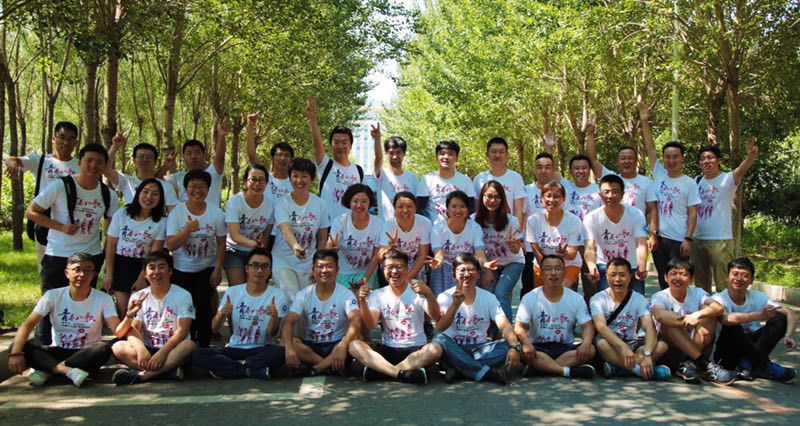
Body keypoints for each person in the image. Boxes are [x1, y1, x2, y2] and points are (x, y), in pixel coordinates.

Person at [26, 143, 119, 346]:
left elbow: (112, 229)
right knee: (48, 304)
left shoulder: (108, 195)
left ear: (104, 166)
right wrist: (60, 227)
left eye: (99, 162)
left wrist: (107, 260)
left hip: (90, 256)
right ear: (79, 163)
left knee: (83, 305)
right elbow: (32, 211)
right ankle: (43, 348)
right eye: (89, 160)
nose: (93, 165)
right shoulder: (60, 186)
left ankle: (82, 348)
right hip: (58, 255)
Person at [7, 253, 120, 387]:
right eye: (77, 269)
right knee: (15, 346)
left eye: (87, 270)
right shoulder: (53, 295)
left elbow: (117, 329)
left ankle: (49, 369)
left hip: (85, 354)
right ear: (67, 273)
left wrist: (130, 316)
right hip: (57, 350)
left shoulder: (103, 299)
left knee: (103, 349)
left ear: (94, 274)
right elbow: (28, 325)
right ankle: (68, 372)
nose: (82, 274)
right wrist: (15, 353)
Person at [192, 248, 288, 380]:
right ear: (247, 269)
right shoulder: (233, 292)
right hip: (234, 348)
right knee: (198, 354)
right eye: (255, 265)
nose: (259, 270)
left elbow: (272, 334)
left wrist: (275, 317)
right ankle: (249, 370)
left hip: (261, 349)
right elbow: (213, 328)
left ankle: (230, 369)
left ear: (270, 271)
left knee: (281, 352)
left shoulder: (278, 295)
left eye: (264, 266)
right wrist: (221, 314)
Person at [348, 249, 442, 383]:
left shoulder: (417, 290)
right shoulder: (377, 294)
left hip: (416, 349)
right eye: (389, 267)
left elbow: (436, 316)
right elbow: (370, 324)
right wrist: (362, 301)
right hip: (388, 349)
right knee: (354, 345)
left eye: (399, 267)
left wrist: (428, 294)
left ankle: (383, 371)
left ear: (407, 269)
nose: (394, 271)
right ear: (383, 269)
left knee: (435, 349)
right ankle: (402, 374)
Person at [431, 253, 523, 385]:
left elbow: (504, 325)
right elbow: (441, 327)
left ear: (478, 274)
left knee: (511, 345)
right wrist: (455, 305)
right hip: (453, 347)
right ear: (453, 275)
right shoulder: (444, 297)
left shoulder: (488, 298)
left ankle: (459, 368)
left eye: (471, 270)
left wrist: (514, 347)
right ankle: (487, 373)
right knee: (439, 340)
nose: (466, 274)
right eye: (462, 270)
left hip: (479, 350)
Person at [111, 251, 197, 384]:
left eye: (161, 267)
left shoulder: (183, 295)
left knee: (189, 345)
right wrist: (141, 349)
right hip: (148, 349)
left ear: (170, 271)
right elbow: (133, 329)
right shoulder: (138, 296)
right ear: (145, 274)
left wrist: (162, 353)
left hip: (172, 349)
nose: (156, 272)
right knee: (118, 347)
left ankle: (143, 376)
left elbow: (183, 331)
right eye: (152, 268)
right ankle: (167, 372)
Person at [5, 121, 80, 268]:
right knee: (47, 269)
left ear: (76, 142)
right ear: (53, 139)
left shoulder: (80, 165)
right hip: (45, 223)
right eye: (62, 137)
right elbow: (12, 159)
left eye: (71, 138)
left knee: (73, 269)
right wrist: (12, 162)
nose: (66, 142)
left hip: (72, 224)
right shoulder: (40, 160)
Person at [165, 169, 227, 347]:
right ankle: (187, 343)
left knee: (203, 306)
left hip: (206, 268)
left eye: (202, 186)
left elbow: (221, 243)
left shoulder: (216, 214)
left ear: (208, 190)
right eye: (193, 186)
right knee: (185, 307)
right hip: (181, 269)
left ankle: (204, 346)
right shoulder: (177, 213)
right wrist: (187, 230)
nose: (197, 190)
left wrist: (217, 270)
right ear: (185, 189)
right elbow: (171, 245)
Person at [711, 257, 797, 383]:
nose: (739, 279)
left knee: (779, 318)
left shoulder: (758, 297)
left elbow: (789, 314)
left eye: (745, 275)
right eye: (735, 274)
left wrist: (788, 336)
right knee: (732, 322)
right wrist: (758, 316)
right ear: (727, 277)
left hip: (751, 347)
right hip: (726, 353)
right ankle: (764, 365)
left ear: (751, 280)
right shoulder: (718, 299)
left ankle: (749, 365)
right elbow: (725, 319)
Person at [650, 259, 736, 385]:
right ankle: (705, 364)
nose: (678, 278)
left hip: (697, 343)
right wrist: (688, 321)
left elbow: (718, 307)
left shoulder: (698, 293)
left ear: (691, 279)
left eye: (683, 274)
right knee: (669, 323)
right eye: (673, 274)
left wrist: (697, 315)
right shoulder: (660, 296)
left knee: (709, 313)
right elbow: (660, 315)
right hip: (671, 349)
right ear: (666, 278)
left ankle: (687, 364)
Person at [514, 255, 596, 379]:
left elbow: (588, 326)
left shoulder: (576, 298)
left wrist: (585, 344)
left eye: (558, 268)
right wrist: (526, 343)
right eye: (548, 269)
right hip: (537, 347)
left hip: (565, 348)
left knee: (591, 349)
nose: (553, 273)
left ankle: (540, 368)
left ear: (564, 272)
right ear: (541, 273)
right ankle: (567, 371)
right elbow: (520, 327)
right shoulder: (530, 297)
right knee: (520, 350)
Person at [282, 250, 362, 376]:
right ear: (313, 270)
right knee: (286, 342)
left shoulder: (346, 294)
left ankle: (316, 368)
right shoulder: (304, 294)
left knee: (356, 339)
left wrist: (342, 346)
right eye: (320, 266)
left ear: (337, 270)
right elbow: (289, 322)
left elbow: (356, 320)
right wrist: (289, 349)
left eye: (329, 266)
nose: (324, 270)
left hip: (337, 344)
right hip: (312, 346)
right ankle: (327, 366)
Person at [692, 142, 758, 293]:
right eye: (702, 159)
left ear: (718, 160)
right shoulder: (697, 181)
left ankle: (725, 308)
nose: (706, 161)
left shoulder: (727, 179)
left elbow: (741, 170)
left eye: (710, 157)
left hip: (720, 240)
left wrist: (751, 156)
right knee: (700, 285)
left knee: (723, 283)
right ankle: (706, 308)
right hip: (698, 238)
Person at [590, 258, 671, 380]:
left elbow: (649, 327)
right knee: (602, 344)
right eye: (613, 275)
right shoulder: (598, 299)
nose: (617, 279)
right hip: (610, 342)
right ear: (606, 276)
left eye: (622, 275)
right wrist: (623, 347)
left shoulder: (639, 299)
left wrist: (647, 354)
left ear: (630, 277)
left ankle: (618, 367)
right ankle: (640, 371)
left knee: (662, 345)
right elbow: (601, 327)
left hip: (632, 342)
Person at [642, 120, 701, 289]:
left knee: (678, 279)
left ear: (682, 158)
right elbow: (650, 149)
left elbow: (693, 213)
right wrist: (644, 121)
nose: (671, 160)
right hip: (659, 239)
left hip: (679, 239)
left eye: (675, 156)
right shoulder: (659, 174)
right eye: (667, 157)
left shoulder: (689, 183)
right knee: (664, 280)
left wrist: (688, 239)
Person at [104, 178, 167, 316]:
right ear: (138, 193)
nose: (149, 197)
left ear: (160, 198)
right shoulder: (122, 214)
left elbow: (154, 254)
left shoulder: (161, 222)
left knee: (139, 310)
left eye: (155, 194)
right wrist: (109, 273)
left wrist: (143, 277)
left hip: (143, 266)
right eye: (145, 191)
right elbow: (111, 245)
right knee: (123, 309)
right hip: (120, 264)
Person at [272, 158, 331, 302]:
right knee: (293, 299)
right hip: (283, 261)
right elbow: (285, 229)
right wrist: (295, 246)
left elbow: (322, 238)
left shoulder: (320, 204)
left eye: (304, 176)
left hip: (308, 263)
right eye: (295, 176)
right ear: (290, 178)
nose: (299, 180)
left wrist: (318, 264)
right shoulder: (281, 203)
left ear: (311, 179)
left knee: (307, 302)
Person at [584, 174, 649, 296]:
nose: (610, 196)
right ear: (600, 195)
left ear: (622, 194)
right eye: (606, 192)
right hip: (605, 266)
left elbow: (641, 244)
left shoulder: (636, 214)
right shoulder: (591, 218)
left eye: (615, 191)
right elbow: (589, 248)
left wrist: (642, 266)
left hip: (632, 266)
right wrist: (592, 267)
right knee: (607, 303)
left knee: (637, 302)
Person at [473, 180, 524, 321]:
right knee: (487, 293)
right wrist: (487, 270)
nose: (492, 200)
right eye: (489, 196)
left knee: (501, 293)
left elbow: (517, 250)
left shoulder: (511, 221)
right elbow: (477, 250)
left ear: (502, 199)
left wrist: (513, 246)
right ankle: (491, 329)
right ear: (482, 197)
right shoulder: (474, 220)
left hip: (512, 262)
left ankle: (506, 331)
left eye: (497, 197)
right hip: (488, 264)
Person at [585, 122, 657, 222]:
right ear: (618, 162)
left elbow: (652, 209)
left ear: (636, 161)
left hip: (636, 229)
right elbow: (593, 160)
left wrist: (653, 231)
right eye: (623, 158)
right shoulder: (611, 179)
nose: (627, 161)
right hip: (613, 229)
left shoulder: (647, 182)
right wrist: (590, 135)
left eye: (630, 158)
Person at [306, 96, 364, 221]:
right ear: (331, 145)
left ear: (351, 145)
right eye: (336, 142)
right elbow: (317, 144)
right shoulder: (325, 165)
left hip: (352, 227)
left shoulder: (359, 171)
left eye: (344, 142)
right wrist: (312, 118)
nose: (340, 146)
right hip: (328, 226)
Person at [428, 190, 494, 296]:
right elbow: (439, 254)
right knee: (441, 301)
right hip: (444, 267)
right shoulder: (437, 229)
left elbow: (479, 252)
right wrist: (438, 262)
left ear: (467, 209)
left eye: (462, 206)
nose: (458, 210)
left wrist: (485, 264)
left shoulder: (474, 227)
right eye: (454, 206)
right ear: (447, 208)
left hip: (466, 267)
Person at [526, 181, 583, 290]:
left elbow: (572, 254)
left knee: (559, 292)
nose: (552, 200)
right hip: (542, 264)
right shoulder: (533, 220)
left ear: (563, 199)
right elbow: (535, 248)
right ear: (542, 198)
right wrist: (546, 268)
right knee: (543, 295)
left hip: (568, 264)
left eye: (556, 196)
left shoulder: (574, 221)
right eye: (548, 196)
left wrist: (564, 254)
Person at [223, 164, 274, 286]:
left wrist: (261, 250)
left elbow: (266, 234)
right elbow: (235, 236)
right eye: (253, 179)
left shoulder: (271, 205)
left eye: (261, 180)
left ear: (266, 183)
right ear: (246, 181)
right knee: (238, 289)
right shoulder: (234, 202)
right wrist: (254, 244)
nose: (257, 184)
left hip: (256, 252)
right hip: (234, 250)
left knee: (254, 288)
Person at [104, 132, 179, 211]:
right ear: (134, 161)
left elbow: (174, 213)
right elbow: (105, 169)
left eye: (149, 157)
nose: (145, 160)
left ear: (155, 162)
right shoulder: (127, 181)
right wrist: (114, 147)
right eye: (141, 157)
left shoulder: (166, 186)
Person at [327, 184, 382, 290]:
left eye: (364, 201)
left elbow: (376, 255)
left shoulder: (378, 223)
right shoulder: (340, 221)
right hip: (343, 273)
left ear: (370, 203)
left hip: (368, 274)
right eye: (355, 201)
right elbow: (330, 243)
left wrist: (365, 278)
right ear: (349, 202)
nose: (359, 205)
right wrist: (331, 248)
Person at [165, 119, 228, 208]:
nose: (193, 156)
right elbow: (156, 180)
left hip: (212, 217)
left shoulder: (213, 172)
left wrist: (221, 135)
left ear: (204, 154)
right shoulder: (179, 177)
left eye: (198, 153)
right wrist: (166, 167)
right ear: (183, 157)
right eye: (189, 154)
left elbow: (220, 157)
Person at [521, 151, 560, 298]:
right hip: (530, 247)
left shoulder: (560, 190)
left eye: (548, 167)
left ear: (553, 170)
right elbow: (521, 215)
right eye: (539, 167)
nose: (543, 170)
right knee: (529, 288)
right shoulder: (525, 191)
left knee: (555, 288)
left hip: (554, 246)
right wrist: (520, 240)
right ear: (534, 170)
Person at [472, 137, 526, 229]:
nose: (497, 155)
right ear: (487, 154)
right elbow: (477, 209)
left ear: (507, 155)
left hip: (507, 230)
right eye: (494, 151)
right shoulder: (479, 178)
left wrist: (517, 233)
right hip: (484, 231)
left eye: (501, 152)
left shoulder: (515, 178)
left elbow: (518, 210)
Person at [416, 140, 476, 223]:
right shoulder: (427, 179)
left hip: (458, 228)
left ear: (457, 158)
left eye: (450, 154)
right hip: (433, 229)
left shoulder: (465, 181)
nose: (446, 157)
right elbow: (420, 209)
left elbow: (471, 209)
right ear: (436, 156)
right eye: (442, 153)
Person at [378, 192, 432, 282]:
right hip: (394, 271)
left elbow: (423, 255)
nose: (405, 210)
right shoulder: (388, 226)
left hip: (416, 270)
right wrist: (389, 248)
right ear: (394, 208)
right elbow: (379, 257)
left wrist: (408, 278)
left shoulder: (425, 223)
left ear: (415, 207)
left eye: (409, 206)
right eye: (400, 207)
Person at [244, 111, 295, 201]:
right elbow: (252, 156)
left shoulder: (295, 183)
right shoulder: (264, 177)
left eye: (287, 155)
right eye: (279, 155)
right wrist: (250, 128)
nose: (283, 158)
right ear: (272, 158)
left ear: (291, 159)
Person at [372, 130, 418, 221]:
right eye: (391, 153)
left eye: (399, 152)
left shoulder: (413, 177)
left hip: (407, 225)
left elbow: (416, 204)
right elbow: (378, 158)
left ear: (404, 154)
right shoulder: (381, 174)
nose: (395, 156)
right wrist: (377, 139)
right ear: (386, 153)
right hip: (385, 225)